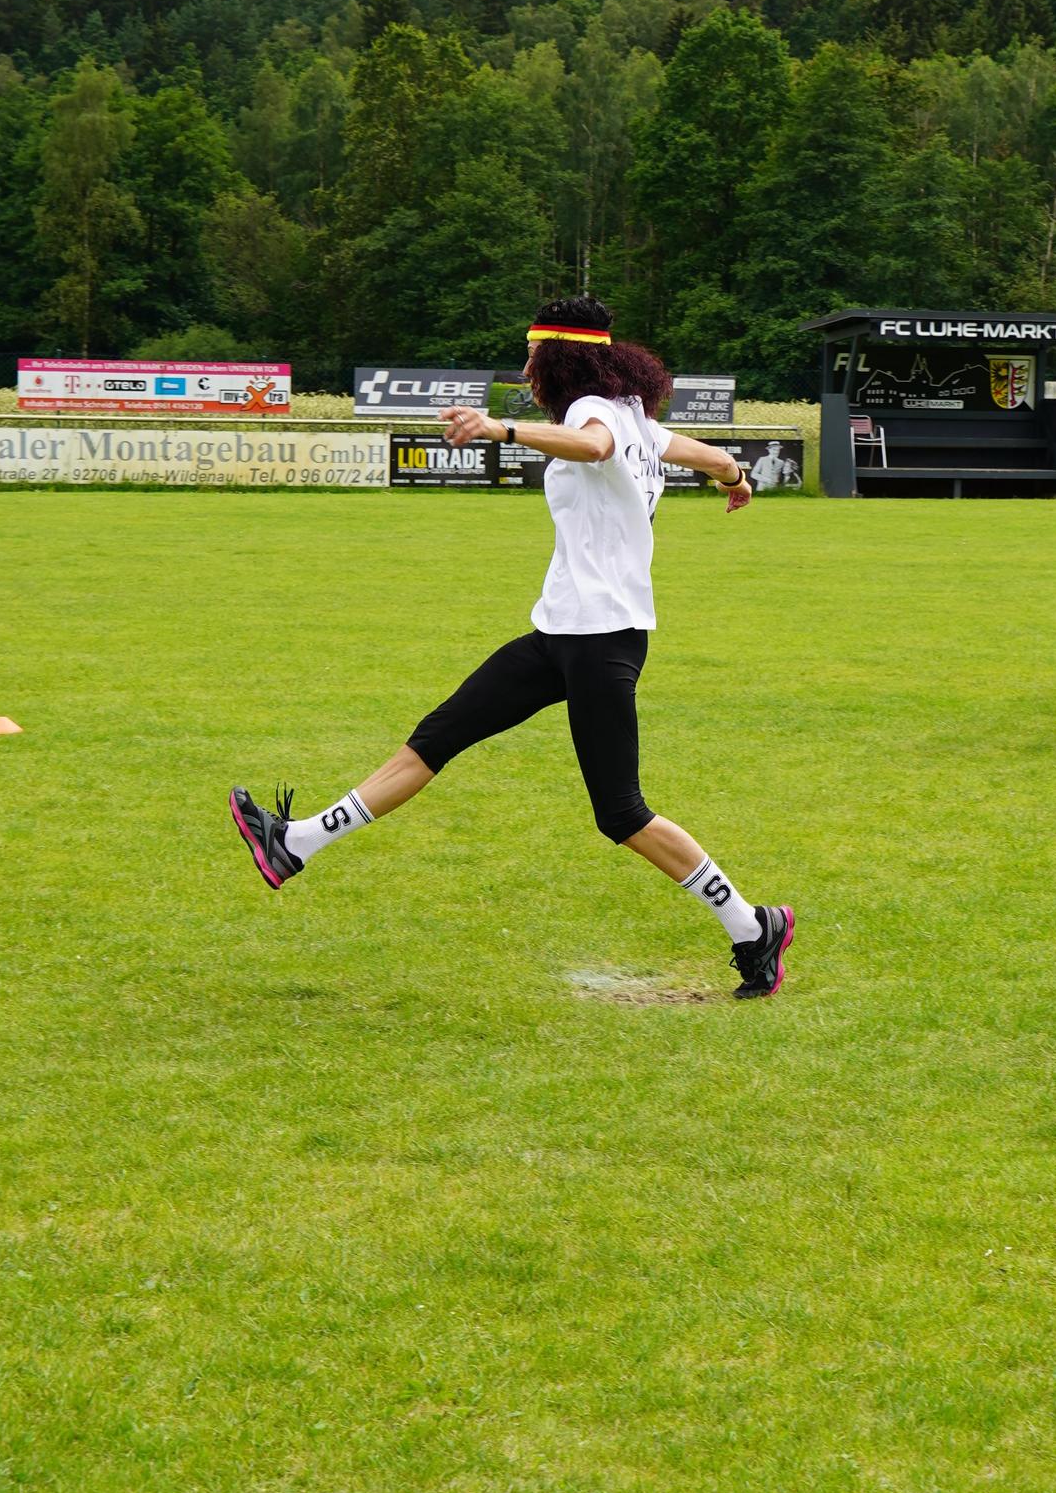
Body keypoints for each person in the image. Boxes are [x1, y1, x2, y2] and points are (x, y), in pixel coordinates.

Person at [228, 294, 796, 999]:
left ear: (562, 357)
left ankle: (753, 926)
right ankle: (296, 843)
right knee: (435, 738)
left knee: (621, 813)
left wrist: (500, 428)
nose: (526, 367)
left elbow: (594, 447)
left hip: (602, 641)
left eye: (532, 355)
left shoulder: (596, 417)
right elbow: (707, 455)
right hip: (559, 632)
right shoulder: (637, 420)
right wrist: (735, 480)